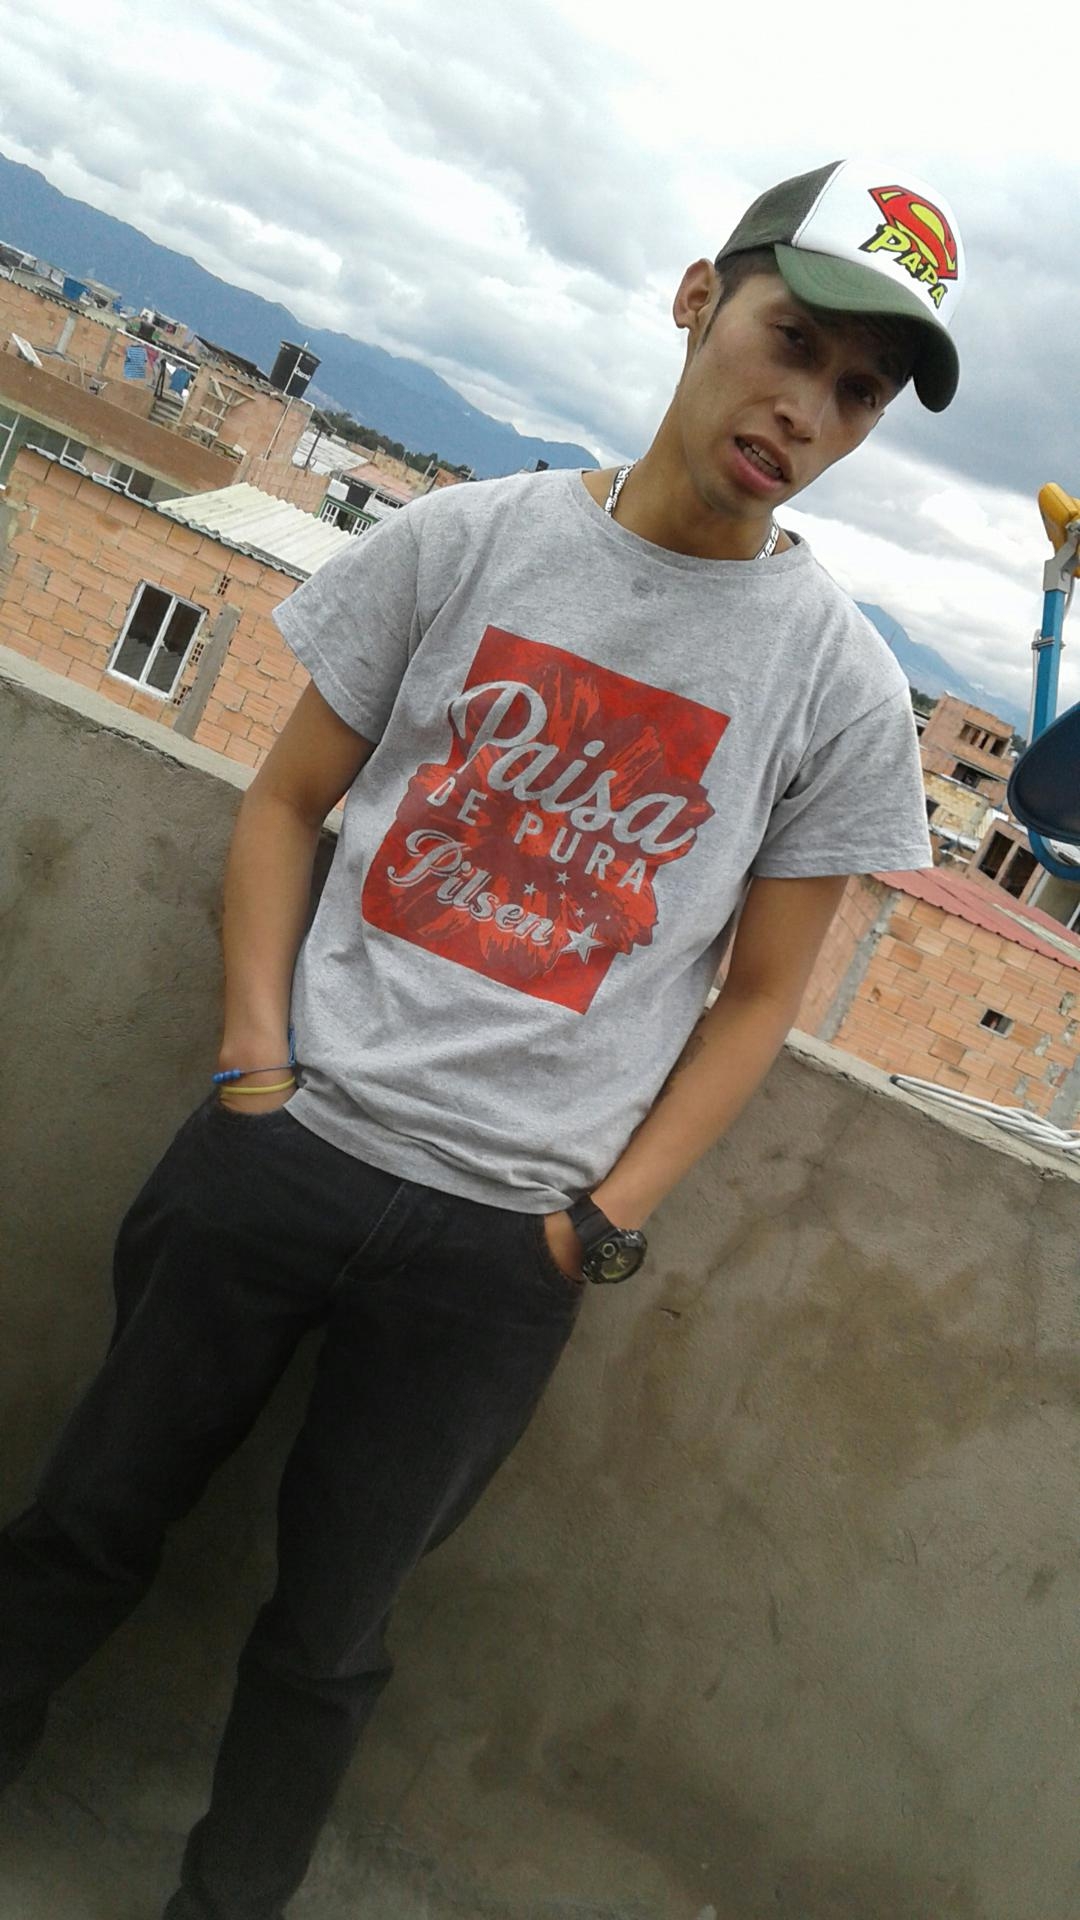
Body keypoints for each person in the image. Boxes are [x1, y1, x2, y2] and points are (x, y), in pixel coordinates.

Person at [0, 157, 964, 1918]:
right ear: (699, 299)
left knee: (329, 1639)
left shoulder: (834, 686)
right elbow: (286, 800)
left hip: (499, 1246)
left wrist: (596, 1223)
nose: (807, 411)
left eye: (857, 392)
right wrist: (251, 1075)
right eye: (792, 343)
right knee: (81, 1522)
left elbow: (763, 996)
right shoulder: (471, 540)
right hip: (286, 1148)